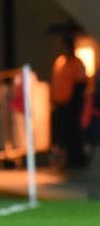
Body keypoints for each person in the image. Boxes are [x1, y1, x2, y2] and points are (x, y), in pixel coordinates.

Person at [50, 34, 89, 169]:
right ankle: (65, 159)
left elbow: (80, 86)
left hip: (72, 105)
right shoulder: (60, 63)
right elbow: (56, 83)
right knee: (61, 133)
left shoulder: (76, 64)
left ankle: (76, 159)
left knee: (73, 132)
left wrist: (74, 105)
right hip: (60, 104)